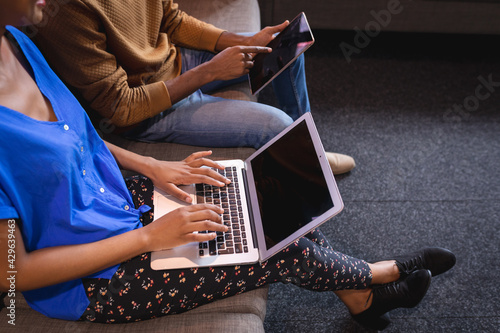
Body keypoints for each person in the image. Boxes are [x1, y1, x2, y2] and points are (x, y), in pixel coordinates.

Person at [0, 1, 456, 330]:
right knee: (277, 244)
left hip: (115, 202)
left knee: (256, 195)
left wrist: (152, 168)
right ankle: (376, 276)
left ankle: (360, 297)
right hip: (92, 281)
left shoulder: (19, 42)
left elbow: (77, 133)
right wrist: (149, 237)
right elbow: (11, 271)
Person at [29, 0, 356, 175]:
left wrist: (244, 42)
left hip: (175, 61)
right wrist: (210, 71)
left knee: (284, 49)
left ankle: (305, 149)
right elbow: (121, 108)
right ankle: (300, 152)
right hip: (150, 109)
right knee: (278, 126)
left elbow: (170, 19)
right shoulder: (65, 11)